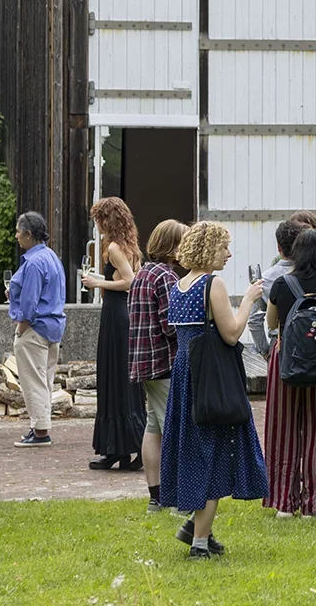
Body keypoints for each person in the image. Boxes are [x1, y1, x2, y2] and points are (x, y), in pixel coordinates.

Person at [161, 221, 268, 559]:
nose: (229, 253)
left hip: (185, 374)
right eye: (224, 247)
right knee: (214, 453)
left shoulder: (179, 285)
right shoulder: (213, 284)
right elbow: (232, 333)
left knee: (196, 451)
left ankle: (196, 527)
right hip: (211, 377)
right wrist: (250, 299)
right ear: (210, 250)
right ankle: (199, 543)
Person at [263, 229, 316, 517]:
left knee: (282, 430)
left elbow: (273, 324)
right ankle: (314, 503)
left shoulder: (282, 284)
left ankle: (284, 503)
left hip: (285, 361)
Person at [127, 219, 189, 512]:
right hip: (164, 362)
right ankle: (178, 498)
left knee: (153, 426)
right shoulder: (167, 277)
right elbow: (170, 326)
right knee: (174, 428)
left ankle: (156, 496)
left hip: (144, 363)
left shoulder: (142, 274)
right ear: (172, 247)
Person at [83, 197, 146, 470]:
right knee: (122, 380)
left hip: (117, 316)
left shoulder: (114, 247)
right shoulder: (129, 246)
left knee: (115, 377)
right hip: (123, 314)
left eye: (99, 220)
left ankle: (120, 447)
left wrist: (98, 282)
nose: (97, 225)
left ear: (107, 221)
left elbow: (131, 281)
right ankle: (122, 448)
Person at [9, 212, 67, 448]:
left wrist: (21, 325)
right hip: (53, 325)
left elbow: (30, 302)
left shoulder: (33, 262)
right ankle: (41, 427)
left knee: (33, 380)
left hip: (35, 327)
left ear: (28, 234)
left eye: (18, 231)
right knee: (45, 379)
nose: (16, 236)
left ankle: (41, 431)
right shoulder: (51, 256)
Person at [246, 220, 305, 358]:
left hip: (279, 346)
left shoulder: (264, 280)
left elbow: (254, 319)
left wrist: (265, 351)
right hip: (312, 343)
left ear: (279, 247)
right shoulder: (314, 275)